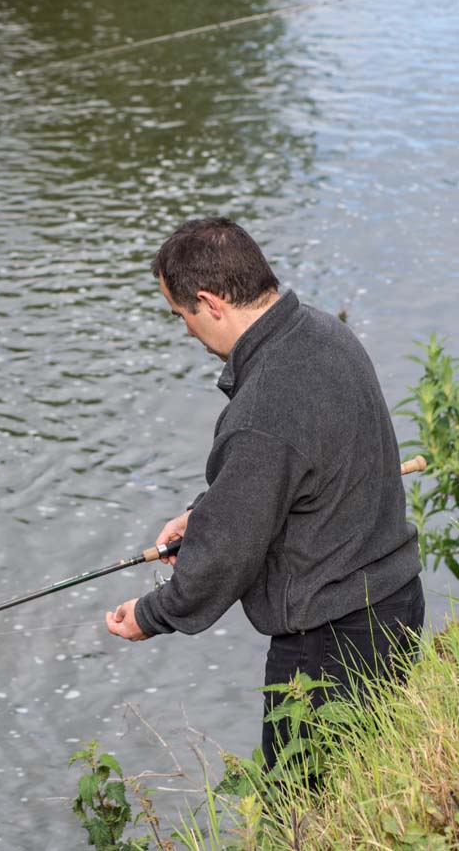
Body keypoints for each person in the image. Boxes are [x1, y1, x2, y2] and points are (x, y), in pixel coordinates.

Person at [105, 217, 424, 766]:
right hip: (395, 603)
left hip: (331, 644)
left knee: (302, 812)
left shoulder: (261, 411)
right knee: (375, 782)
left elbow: (226, 553)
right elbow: (297, 474)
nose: (186, 330)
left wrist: (153, 614)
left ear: (210, 302)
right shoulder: (325, 334)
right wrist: (204, 512)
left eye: (182, 315)